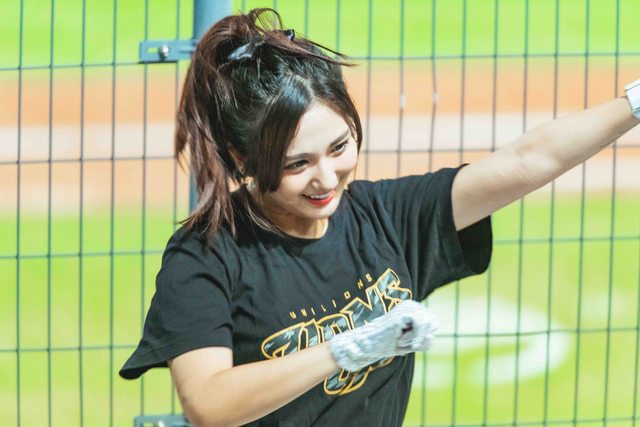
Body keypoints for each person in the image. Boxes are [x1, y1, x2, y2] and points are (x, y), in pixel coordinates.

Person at [119, 8, 640, 427]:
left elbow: (529, 160)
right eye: (297, 164)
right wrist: (345, 349)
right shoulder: (207, 254)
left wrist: (634, 104)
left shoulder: (386, 217)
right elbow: (208, 404)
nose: (326, 178)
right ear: (242, 159)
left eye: (339, 146)